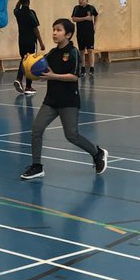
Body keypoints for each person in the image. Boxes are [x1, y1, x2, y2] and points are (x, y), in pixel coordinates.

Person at [20, 19, 107, 180]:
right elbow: (42, 69)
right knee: (36, 129)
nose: (54, 33)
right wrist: (28, 62)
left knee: (71, 135)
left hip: (68, 100)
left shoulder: (73, 52)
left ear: (68, 34)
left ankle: (97, 153)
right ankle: (37, 166)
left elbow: (74, 77)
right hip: (51, 100)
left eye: (58, 30)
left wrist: (54, 76)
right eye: (53, 29)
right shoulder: (53, 53)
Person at [12, 0, 45, 97]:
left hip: (21, 40)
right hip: (31, 40)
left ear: (20, 1)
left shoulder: (18, 12)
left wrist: (19, 1)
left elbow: (15, 8)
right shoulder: (31, 13)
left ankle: (19, 78)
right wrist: (41, 42)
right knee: (30, 62)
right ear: (29, 1)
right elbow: (35, 29)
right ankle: (28, 87)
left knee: (23, 59)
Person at [71, 0, 98, 77]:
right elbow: (74, 18)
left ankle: (92, 68)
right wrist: (85, 18)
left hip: (89, 32)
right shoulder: (76, 8)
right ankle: (82, 68)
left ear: (87, 0)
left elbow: (96, 15)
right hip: (80, 33)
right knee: (81, 51)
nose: (80, 1)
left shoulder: (91, 8)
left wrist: (95, 25)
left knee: (90, 50)